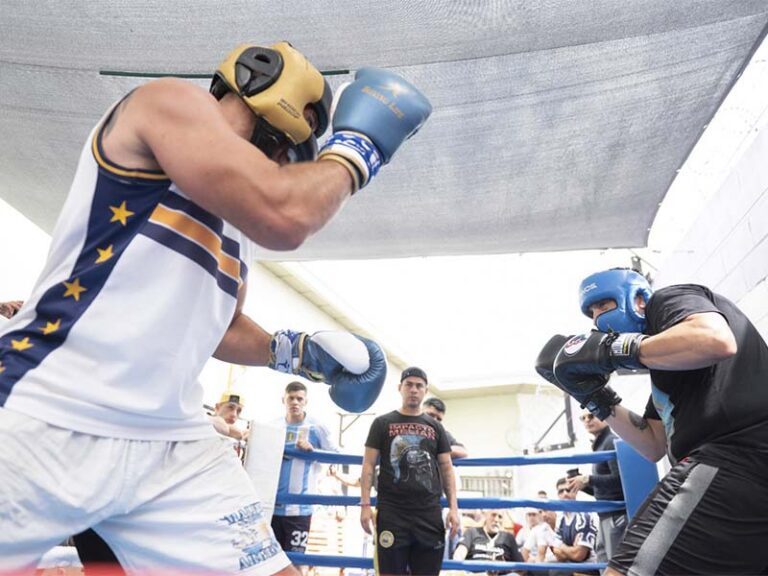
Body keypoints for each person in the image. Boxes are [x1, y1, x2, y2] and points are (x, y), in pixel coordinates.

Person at [0, 40, 430, 573]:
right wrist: (359, 149)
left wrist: (293, 352)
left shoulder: (237, 231)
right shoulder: (163, 105)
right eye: (282, 153)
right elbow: (287, 214)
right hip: (45, 408)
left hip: (169, 441)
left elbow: (220, 325)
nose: (277, 165)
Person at [538, 267, 768, 575]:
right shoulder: (668, 373)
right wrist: (595, 397)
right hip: (745, 477)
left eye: (603, 306)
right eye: (591, 313)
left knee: (625, 570)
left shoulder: (669, 300)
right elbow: (652, 444)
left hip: (732, 458)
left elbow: (715, 339)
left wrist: (617, 348)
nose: (597, 320)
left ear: (638, 299)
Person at [360, 366, 460, 576]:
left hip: (428, 514)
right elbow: (368, 464)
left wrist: (453, 508)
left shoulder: (436, 427)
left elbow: (446, 467)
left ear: (425, 391)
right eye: (409, 385)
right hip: (392, 512)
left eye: (419, 386)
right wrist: (365, 504)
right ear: (400, 388)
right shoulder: (382, 423)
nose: (414, 389)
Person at [271, 381, 337, 555]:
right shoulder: (273, 426)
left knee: (297, 562)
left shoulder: (316, 427)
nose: (295, 402)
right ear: (283, 400)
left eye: (299, 398)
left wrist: (313, 451)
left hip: (299, 509)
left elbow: (337, 455)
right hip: (272, 505)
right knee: (271, 563)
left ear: (305, 401)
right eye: (291, 398)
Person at [566, 410, 626, 565]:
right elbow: (604, 491)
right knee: (604, 563)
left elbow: (619, 480)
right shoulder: (601, 445)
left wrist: (588, 479)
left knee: (615, 567)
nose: (587, 420)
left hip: (615, 516)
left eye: (591, 415)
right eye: (583, 418)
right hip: (606, 516)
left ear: (604, 416)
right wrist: (582, 485)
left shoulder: (610, 441)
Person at [550, 477, 598, 572]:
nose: (565, 494)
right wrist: (571, 549)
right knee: (539, 568)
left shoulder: (584, 516)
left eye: (568, 490)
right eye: (561, 491)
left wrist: (561, 546)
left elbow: (579, 555)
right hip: (568, 565)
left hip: (588, 568)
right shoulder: (560, 518)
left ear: (575, 492)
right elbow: (558, 554)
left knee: (556, 572)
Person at [453, 509, 523, 572]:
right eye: (493, 515)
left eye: (500, 517)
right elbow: (459, 554)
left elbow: (521, 569)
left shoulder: (508, 537)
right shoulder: (472, 532)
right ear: (486, 516)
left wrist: (505, 567)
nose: (496, 520)